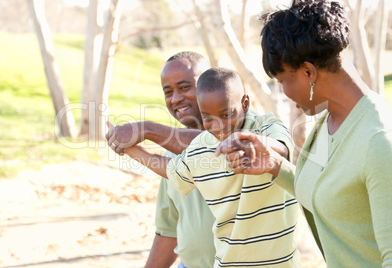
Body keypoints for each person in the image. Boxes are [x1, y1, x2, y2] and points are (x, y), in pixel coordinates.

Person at [215, 1, 392, 267]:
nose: (283, 91)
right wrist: (276, 166)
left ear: (309, 72)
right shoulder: (329, 119)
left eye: (282, 81)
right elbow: (336, 195)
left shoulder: (379, 141)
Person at [113, 67, 300, 267]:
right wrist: (131, 151)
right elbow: (171, 170)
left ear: (245, 103)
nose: (218, 126)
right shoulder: (201, 146)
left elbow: (282, 148)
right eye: (208, 118)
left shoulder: (265, 125)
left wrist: (258, 146)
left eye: (226, 114)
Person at [106, 51, 217, 267]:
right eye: (168, 92)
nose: (175, 99)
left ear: (209, 84)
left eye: (185, 87)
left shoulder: (243, 133)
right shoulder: (171, 153)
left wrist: (146, 129)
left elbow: (212, 144)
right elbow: (169, 230)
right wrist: (131, 150)